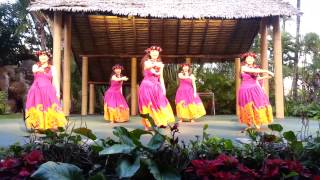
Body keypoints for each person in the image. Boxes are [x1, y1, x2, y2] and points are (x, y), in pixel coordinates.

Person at [25, 50, 67, 130]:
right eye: (41, 55)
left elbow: (55, 80)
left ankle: (52, 125)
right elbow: (34, 70)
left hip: (48, 90)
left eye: (44, 56)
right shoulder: (35, 66)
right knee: (36, 106)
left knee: (51, 106)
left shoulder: (52, 68)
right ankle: (37, 126)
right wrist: (39, 69)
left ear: (48, 57)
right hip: (36, 90)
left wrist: (57, 92)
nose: (42, 57)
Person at [138, 46, 175, 130]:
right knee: (148, 105)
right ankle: (147, 124)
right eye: (153, 51)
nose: (155, 53)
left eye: (156, 51)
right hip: (146, 86)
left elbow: (161, 78)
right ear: (149, 53)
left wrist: (164, 89)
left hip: (157, 87)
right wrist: (156, 64)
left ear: (158, 53)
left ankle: (161, 122)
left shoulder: (160, 64)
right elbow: (146, 67)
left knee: (160, 104)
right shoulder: (147, 62)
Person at [238, 52, 274, 130]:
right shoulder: (243, 68)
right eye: (248, 58)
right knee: (247, 107)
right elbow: (251, 71)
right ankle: (249, 124)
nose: (250, 59)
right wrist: (267, 71)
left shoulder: (256, 69)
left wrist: (266, 77)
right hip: (245, 90)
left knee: (257, 105)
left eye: (251, 58)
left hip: (255, 89)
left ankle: (257, 123)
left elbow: (257, 78)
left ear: (254, 59)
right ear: (245, 60)